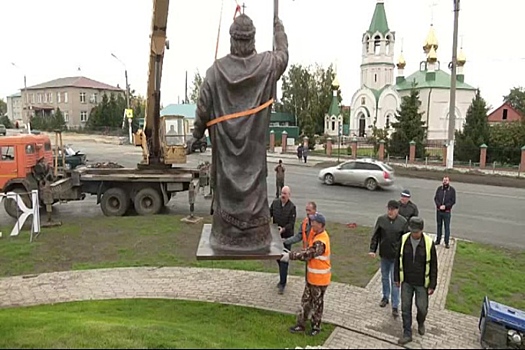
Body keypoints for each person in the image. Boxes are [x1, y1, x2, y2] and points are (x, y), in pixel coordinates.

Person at [188, 13, 289, 252]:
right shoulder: (266, 65)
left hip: (226, 159)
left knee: (226, 191)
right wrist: (279, 31)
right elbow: (283, 56)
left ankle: (228, 236)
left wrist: (197, 134)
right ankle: (254, 235)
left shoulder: (215, 71)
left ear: (232, 39)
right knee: (255, 189)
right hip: (253, 157)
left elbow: (203, 107)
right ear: (252, 40)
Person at [281, 212, 331, 337]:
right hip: (312, 278)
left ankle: (316, 327)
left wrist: (290, 256)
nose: (311, 223)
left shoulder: (321, 241)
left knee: (317, 304)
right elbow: (307, 250)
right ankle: (301, 324)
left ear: (320, 224)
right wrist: (292, 253)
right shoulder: (315, 234)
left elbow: (309, 253)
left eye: (314, 222)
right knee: (305, 302)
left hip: (319, 280)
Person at [394, 217, 438, 345]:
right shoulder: (404, 239)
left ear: (422, 230)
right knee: (405, 307)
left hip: (421, 284)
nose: (414, 234)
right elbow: (397, 259)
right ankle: (407, 333)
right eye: (412, 231)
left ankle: (421, 322)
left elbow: (434, 265)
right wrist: (396, 277)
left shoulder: (429, 243)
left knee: (422, 308)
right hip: (406, 281)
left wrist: (432, 285)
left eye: (416, 232)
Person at [369, 200, 407, 318]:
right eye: (388, 209)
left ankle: (395, 305)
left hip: (396, 258)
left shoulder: (403, 222)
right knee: (385, 277)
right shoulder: (381, 220)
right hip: (384, 255)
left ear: (397, 210)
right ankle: (385, 297)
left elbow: (406, 240)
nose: (390, 211)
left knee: (395, 281)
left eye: (392, 209)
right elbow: (376, 236)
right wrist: (372, 249)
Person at [270, 186, 297, 294]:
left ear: (289, 195)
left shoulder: (292, 207)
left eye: (285, 194)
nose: (283, 195)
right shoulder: (275, 203)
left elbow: (291, 223)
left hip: (286, 237)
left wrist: (284, 229)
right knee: (277, 257)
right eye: (282, 193)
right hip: (276, 236)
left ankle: (282, 283)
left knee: (284, 260)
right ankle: (282, 276)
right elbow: (269, 213)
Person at [283, 201, 317, 281]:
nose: (307, 213)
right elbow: (298, 236)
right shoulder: (305, 222)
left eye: (309, 210)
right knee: (308, 276)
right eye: (306, 210)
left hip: (316, 254)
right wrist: (285, 241)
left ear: (315, 210)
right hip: (307, 254)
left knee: (314, 277)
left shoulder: (318, 224)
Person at [433, 176, 456, 249]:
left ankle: (446, 242)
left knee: (447, 227)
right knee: (439, 226)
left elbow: (453, 201)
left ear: (449, 181)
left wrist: (445, 206)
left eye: (446, 180)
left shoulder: (452, 190)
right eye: (444, 180)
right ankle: (438, 240)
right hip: (439, 211)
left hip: (447, 212)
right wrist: (439, 205)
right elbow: (436, 198)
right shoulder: (439, 189)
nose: (445, 182)